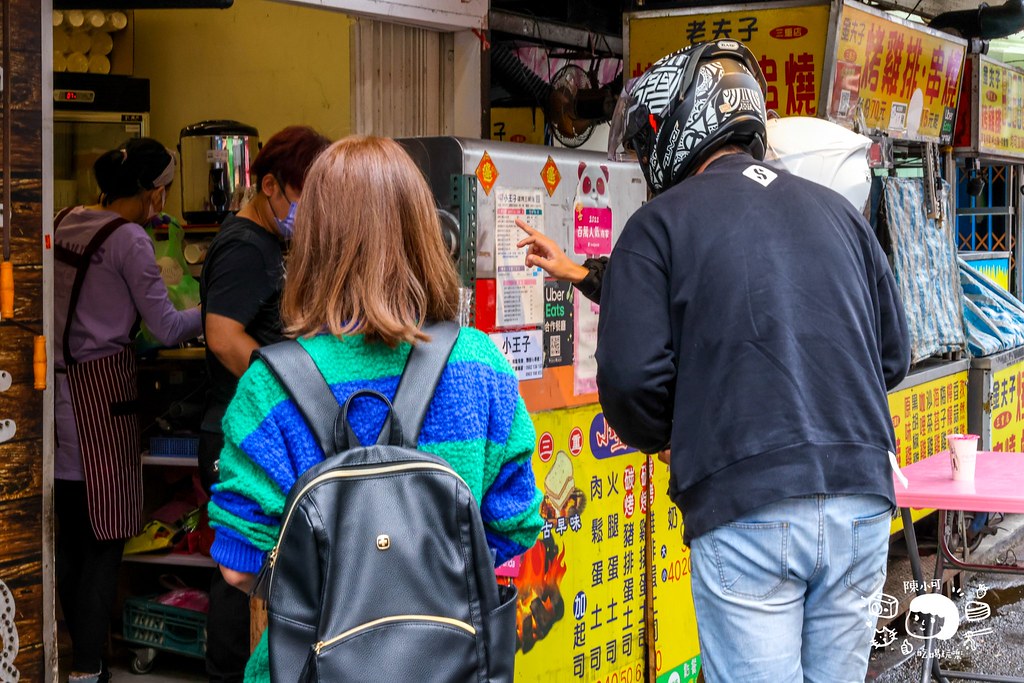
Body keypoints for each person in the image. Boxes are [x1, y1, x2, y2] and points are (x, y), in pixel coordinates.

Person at [593, 41, 911, 682]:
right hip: (864, 496)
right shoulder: (837, 214)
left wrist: (668, 434)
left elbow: (630, 382)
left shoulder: (657, 226)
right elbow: (894, 355)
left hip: (745, 502)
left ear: (675, 129)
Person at [205, 135, 545, 682]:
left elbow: (238, 564)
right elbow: (515, 525)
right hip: (453, 668)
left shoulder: (269, 387)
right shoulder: (481, 365)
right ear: (423, 233)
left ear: (312, 241)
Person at [54, 137, 203, 683]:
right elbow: (164, 327)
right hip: (104, 398)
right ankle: (90, 668)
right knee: (105, 540)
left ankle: (70, 657)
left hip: (59, 393)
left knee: (70, 535)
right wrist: (213, 313)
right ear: (148, 193)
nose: (162, 202)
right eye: (161, 191)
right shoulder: (130, 240)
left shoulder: (66, 217)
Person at [198, 125, 330, 683]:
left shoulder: (271, 243)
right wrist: (288, 385)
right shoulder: (245, 248)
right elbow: (223, 337)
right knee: (240, 566)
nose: (307, 213)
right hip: (239, 431)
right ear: (270, 186)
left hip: (263, 430)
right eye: (302, 198)